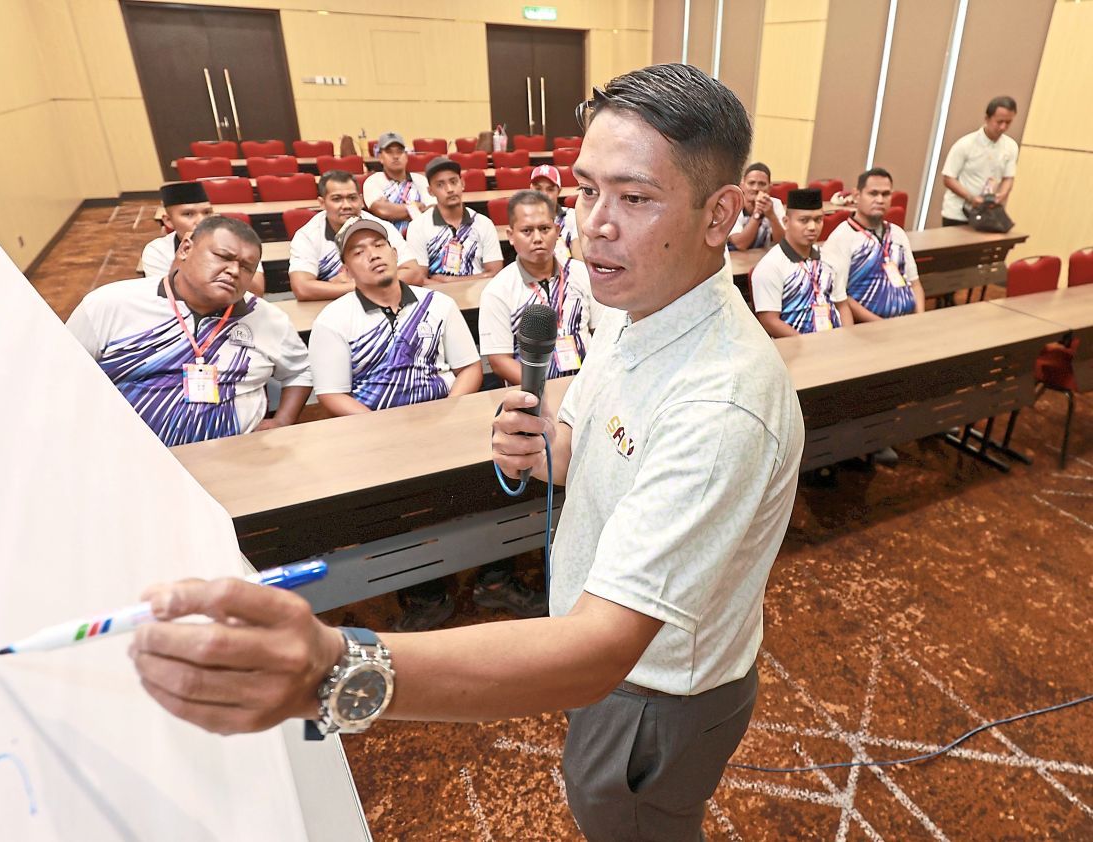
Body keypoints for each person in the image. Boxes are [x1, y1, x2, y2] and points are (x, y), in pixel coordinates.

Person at [130, 64, 804, 842]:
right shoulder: (636, 297)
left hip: (654, 689)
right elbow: (587, 445)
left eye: (635, 197)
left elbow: (596, 654)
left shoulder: (722, 404)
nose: (594, 225)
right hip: (606, 654)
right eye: (586, 191)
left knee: (628, 822)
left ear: (720, 214)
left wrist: (332, 669)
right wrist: (548, 449)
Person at [307, 217, 535, 631]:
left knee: (492, 486)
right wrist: (384, 430)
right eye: (358, 252)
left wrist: (448, 414)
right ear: (345, 269)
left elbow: (469, 368)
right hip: (377, 437)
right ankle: (424, 592)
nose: (372, 254)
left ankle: (494, 578)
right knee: (395, 511)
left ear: (396, 253)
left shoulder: (438, 305)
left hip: (445, 422)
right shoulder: (334, 320)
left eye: (379, 245)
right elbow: (333, 396)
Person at [68, 216, 312, 447]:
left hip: (236, 459)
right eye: (222, 257)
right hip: (125, 454)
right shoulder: (110, 304)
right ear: (185, 249)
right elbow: (60, 376)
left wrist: (283, 420)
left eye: (247, 267)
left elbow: (300, 371)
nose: (234, 271)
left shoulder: (268, 319)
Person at [479, 189, 600, 386]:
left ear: (557, 232)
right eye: (527, 231)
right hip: (534, 394)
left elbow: (602, 335)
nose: (537, 238)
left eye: (545, 229)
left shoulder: (583, 274)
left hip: (588, 385)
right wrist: (543, 388)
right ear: (510, 235)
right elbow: (500, 361)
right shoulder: (497, 291)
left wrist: (589, 383)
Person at [288, 170, 422, 301]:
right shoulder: (307, 236)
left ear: (361, 200)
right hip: (330, 306)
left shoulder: (382, 227)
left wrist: (361, 283)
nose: (346, 205)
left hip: (378, 301)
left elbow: (414, 274)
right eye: (337, 199)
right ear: (322, 203)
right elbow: (302, 288)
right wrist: (371, 283)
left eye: (352, 198)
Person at [824, 168, 924, 322]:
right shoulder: (842, 238)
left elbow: (915, 283)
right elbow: (840, 297)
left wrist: (920, 319)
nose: (880, 200)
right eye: (873, 193)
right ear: (857, 195)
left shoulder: (897, 233)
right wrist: (881, 324)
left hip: (907, 323)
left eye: (885, 194)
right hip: (867, 329)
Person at [751, 188, 852, 337]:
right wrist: (808, 344)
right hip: (795, 349)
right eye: (804, 220)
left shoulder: (829, 259)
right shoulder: (770, 266)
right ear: (786, 222)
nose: (812, 227)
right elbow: (769, 321)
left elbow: (842, 305)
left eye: (818, 220)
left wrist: (847, 337)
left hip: (834, 344)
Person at [407, 156, 503, 281]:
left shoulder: (483, 223)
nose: (450, 189)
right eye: (440, 185)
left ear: (462, 183)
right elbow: (420, 279)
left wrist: (450, 281)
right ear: (430, 191)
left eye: (453, 182)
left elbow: (495, 273)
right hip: (439, 296)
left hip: (479, 293)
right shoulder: (417, 227)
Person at [940, 95, 1019, 226]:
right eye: (999, 122)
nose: (1003, 127)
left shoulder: (1011, 146)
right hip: (958, 213)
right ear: (987, 119)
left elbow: (1008, 177)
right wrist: (971, 198)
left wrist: (1001, 196)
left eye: (1008, 122)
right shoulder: (965, 144)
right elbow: (948, 178)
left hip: (986, 214)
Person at [362, 132, 433, 232]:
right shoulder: (373, 181)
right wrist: (417, 206)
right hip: (388, 240)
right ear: (380, 157)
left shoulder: (420, 180)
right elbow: (383, 211)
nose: (395, 156)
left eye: (400, 151)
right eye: (389, 152)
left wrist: (395, 211)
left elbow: (432, 211)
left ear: (406, 156)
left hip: (421, 236)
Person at [141, 182, 214, 277]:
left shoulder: (231, 242)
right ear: (168, 221)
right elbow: (164, 290)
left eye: (207, 212)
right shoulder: (158, 252)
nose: (201, 221)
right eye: (188, 214)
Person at [727, 162, 784, 251]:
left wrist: (772, 216)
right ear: (742, 186)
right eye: (751, 183)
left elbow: (783, 243)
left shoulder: (775, 204)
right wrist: (757, 213)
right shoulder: (732, 205)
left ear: (769, 188)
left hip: (760, 258)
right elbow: (740, 244)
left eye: (762, 184)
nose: (756, 188)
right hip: (734, 258)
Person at [528, 164, 580, 261]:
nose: (544, 194)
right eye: (538, 189)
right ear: (531, 189)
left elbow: (579, 261)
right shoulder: (524, 220)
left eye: (550, 189)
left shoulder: (572, 217)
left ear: (559, 191)